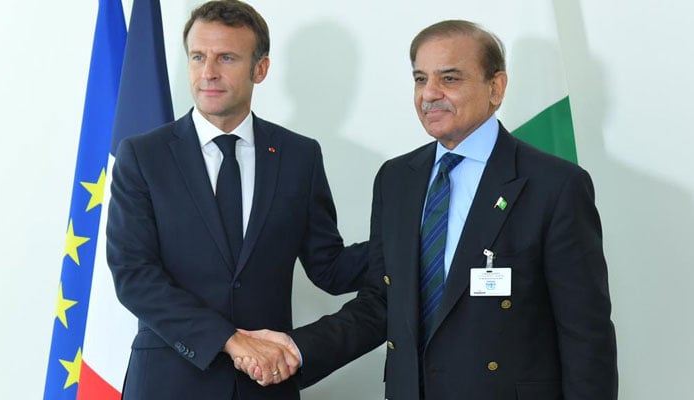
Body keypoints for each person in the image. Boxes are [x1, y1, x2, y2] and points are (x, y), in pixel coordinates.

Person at [237, 19, 618, 399]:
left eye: (449, 79)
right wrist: (297, 349)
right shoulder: (397, 178)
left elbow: (586, 334)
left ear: (496, 87)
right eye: (420, 79)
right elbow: (384, 301)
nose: (429, 94)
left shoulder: (554, 185)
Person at [105, 1, 368, 399]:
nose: (208, 72)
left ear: (259, 69)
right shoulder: (143, 156)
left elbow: (329, 267)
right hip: (169, 383)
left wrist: (412, 236)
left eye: (226, 57)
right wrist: (230, 340)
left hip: (266, 386)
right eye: (198, 57)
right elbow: (134, 277)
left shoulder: (299, 156)